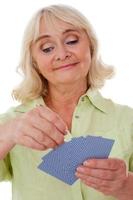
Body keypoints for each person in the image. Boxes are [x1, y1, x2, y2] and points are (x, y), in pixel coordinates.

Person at [0, 4, 133, 200]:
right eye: (47, 48)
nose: (62, 54)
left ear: (91, 46)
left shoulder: (126, 119)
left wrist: (126, 186)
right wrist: (7, 135)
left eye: (71, 41)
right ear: (35, 61)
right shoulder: (12, 123)